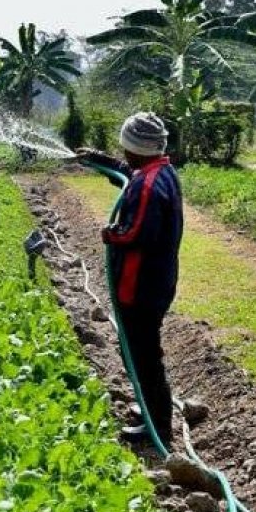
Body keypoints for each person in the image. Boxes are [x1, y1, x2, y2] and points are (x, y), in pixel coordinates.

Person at [75, 112, 183, 445]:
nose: (123, 153)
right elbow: (128, 173)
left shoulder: (147, 184)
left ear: (134, 147)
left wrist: (111, 234)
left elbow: (137, 232)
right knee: (139, 351)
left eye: (124, 147)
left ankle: (158, 428)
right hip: (155, 283)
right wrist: (98, 159)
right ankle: (149, 409)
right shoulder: (160, 171)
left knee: (142, 357)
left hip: (141, 287)